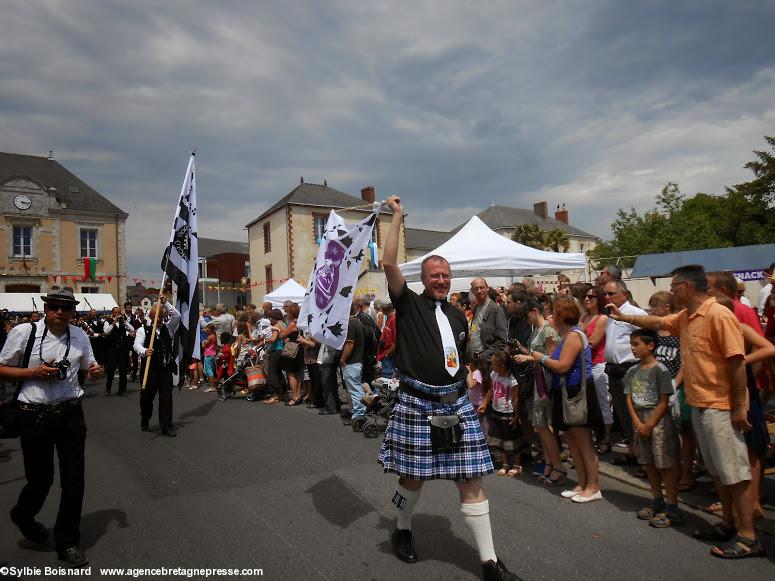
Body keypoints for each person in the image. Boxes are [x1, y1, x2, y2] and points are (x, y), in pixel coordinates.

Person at [378, 195, 519, 581]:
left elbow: (458, 354)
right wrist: (398, 217)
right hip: (417, 404)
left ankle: (490, 562)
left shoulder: (459, 314)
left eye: (444, 275)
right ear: (422, 280)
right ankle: (403, 529)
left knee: (470, 479)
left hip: (456, 404)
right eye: (433, 276)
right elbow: (389, 262)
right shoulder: (407, 303)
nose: (440, 280)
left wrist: (471, 374)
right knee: (412, 478)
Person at [607, 265, 763, 559]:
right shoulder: (688, 316)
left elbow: (737, 363)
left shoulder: (719, 315)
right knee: (718, 472)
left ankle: (749, 536)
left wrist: (741, 405)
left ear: (689, 286)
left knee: (735, 473)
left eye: (675, 284)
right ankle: (728, 524)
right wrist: (625, 316)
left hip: (720, 405)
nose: (672, 288)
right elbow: (659, 320)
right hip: (700, 402)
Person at [0, 288, 104, 567]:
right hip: (33, 414)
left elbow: (89, 369)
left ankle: (67, 541)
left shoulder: (80, 335)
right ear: (46, 308)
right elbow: (1, 367)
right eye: (55, 306)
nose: (60, 312)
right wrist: (32, 372)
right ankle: (23, 515)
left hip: (70, 412)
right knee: (40, 479)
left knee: (74, 480)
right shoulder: (24, 332)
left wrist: (94, 372)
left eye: (66, 308)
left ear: (73, 311)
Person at [527, 297, 603, 503]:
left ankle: (593, 486)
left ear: (561, 315)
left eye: (555, 312)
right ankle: (582, 483)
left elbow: (562, 366)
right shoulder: (568, 334)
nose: (551, 316)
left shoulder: (574, 336)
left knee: (584, 442)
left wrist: (539, 357)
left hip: (576, 392)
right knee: (572, 439)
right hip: (565, 391)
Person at [624, 329, 682, 528]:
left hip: (658, 422)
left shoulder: (661, 370)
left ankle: (672, 506)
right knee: (648, 463)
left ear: (650, 346)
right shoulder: (632, 371)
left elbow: (664, 401)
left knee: (664, 464)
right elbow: (628, 398)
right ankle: (657, 499)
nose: (633, 348)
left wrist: (649, 424)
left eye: (636, 344)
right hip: (639, 420)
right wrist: (638, 423)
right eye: (631, 344)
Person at [514, 298, 562, 484]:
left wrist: (529, 359)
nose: (526, 320)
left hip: (546, 382)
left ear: (535, 311)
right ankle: (549, 462)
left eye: (527, 315)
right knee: (540, 426)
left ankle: (557, 464)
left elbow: (553, 358)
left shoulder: (548, 331)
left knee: (544, 425)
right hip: (538, 380)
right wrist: (524, 352)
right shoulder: (537, 331)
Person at [603, 280, 647, 449]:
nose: (607, 297)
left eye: (611, 293)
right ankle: (634, 450)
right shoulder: (610, 315)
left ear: (624, 294)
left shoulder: (635, 313)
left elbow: (646, 343)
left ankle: (643, 454)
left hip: (631, 370)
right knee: (623, 414)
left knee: (636, 413)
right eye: (604, 294)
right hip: (614, 370)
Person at [134, 297, 180, 437]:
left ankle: (166, 426)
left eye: (161, 316)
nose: (159, 319)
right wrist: (144, 351)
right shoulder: (143, 330)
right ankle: (145, 418)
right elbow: (137, 345)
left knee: (166, 399)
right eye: (156, 316)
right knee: (146, 398)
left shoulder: (168, 328)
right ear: (151, 316)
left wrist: (165, 302)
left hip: (165, 369)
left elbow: (177, 315)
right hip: (150, 370)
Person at [478, 351, 522, 477]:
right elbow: (491, 390)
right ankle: (505, 464)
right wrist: (485, 403)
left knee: (512, 439)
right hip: (496, 410)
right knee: (500, 439)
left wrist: (516, 416)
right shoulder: (494, 375)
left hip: (508, 413)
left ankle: (517, 465)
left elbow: (516, 399)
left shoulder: (511, 380)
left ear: (502, 366)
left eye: (493, 364)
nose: (491, 367)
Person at [580, 286, 612, 453]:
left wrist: (579, 336)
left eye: (591, 297)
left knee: (602, 401)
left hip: (598, 364)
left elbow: (593, 342)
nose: (587, 299)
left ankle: (606, 437)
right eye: (585, 296)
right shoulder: (584, 317)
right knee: (589, 403)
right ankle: (595, 434)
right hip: (585, 365)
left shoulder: (601, 319)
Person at [340, 303, 365, 421]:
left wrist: (342, 359)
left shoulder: (351, 324)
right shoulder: (357, 322)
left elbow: (349, 344)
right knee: (355, 388)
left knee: (355, 389)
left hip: (352, 362)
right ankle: (358, 412)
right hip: (356, 361)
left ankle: (359, 414)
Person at [103, 306, 135, 396]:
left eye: (119, 313)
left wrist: (124, 321)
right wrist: (114, 322)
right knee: (111, 370)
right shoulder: (107, 322)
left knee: (123, 370)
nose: (117, 314)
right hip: (112, 349)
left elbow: (132, 329)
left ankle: (122, 389)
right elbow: (106, 332)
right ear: (113, 313)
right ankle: (108, 388)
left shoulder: (123, 322)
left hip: (122, 349)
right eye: (116, 313)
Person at [201, 324, 218, 392]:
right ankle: (213, 383)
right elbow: (203, 330)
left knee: (209, 371)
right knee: (206, 371)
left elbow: (204, 346)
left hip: (208, 354)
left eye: (207, 330)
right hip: (210, 354)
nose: (206, 331)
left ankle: (212, 386)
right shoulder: (213, 335)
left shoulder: (210, 337)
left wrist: (203, 342)